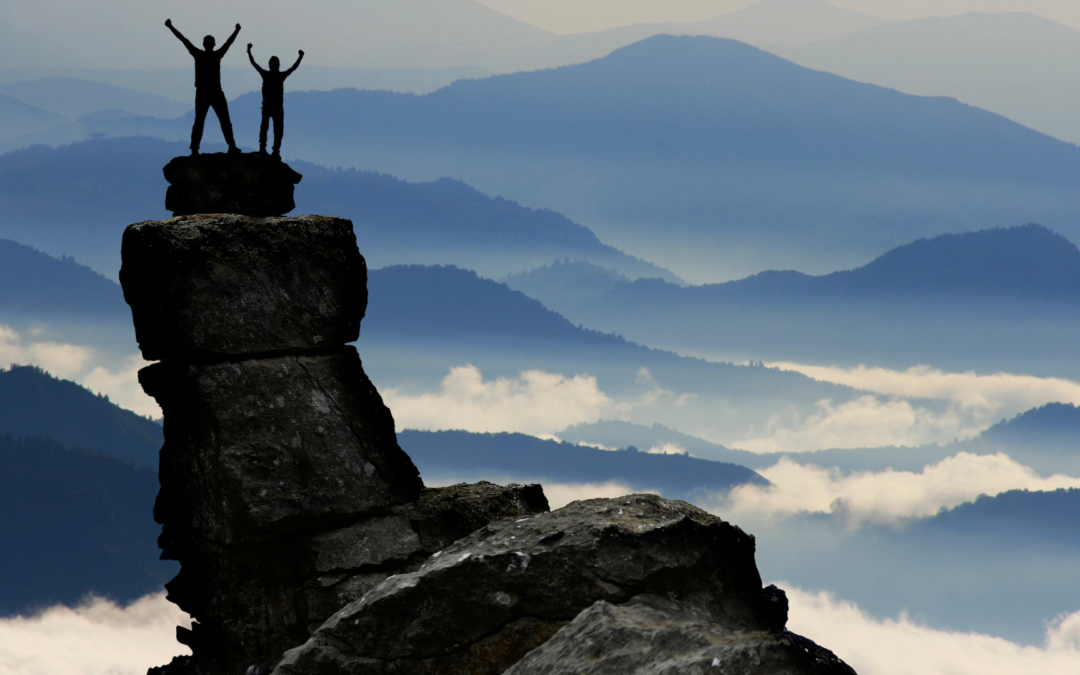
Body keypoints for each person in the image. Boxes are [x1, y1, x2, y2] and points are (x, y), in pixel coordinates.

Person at [166, 18, 242, 155]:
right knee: (224, 121)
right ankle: (231, 146)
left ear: (204, 44)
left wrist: (171, 27)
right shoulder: (217, 55)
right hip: (215, 92)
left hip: (202, 93)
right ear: (213, 44)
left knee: (200, 122)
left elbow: (183, 39)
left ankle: (195, 149)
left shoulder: (198, 55)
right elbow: (229, 42)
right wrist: (236, 31)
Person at [247, 44, 304, 159]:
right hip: (277, 108)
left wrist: (249, 51)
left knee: (266, 127)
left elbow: (254, 64)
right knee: (277, 130)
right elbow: (293, 67)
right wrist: (300, 57)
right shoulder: (280, 76)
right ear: (278, 65)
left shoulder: (266, 75)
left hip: (268, 107)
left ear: (269, 65)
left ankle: (264, 148)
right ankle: (275, 151)